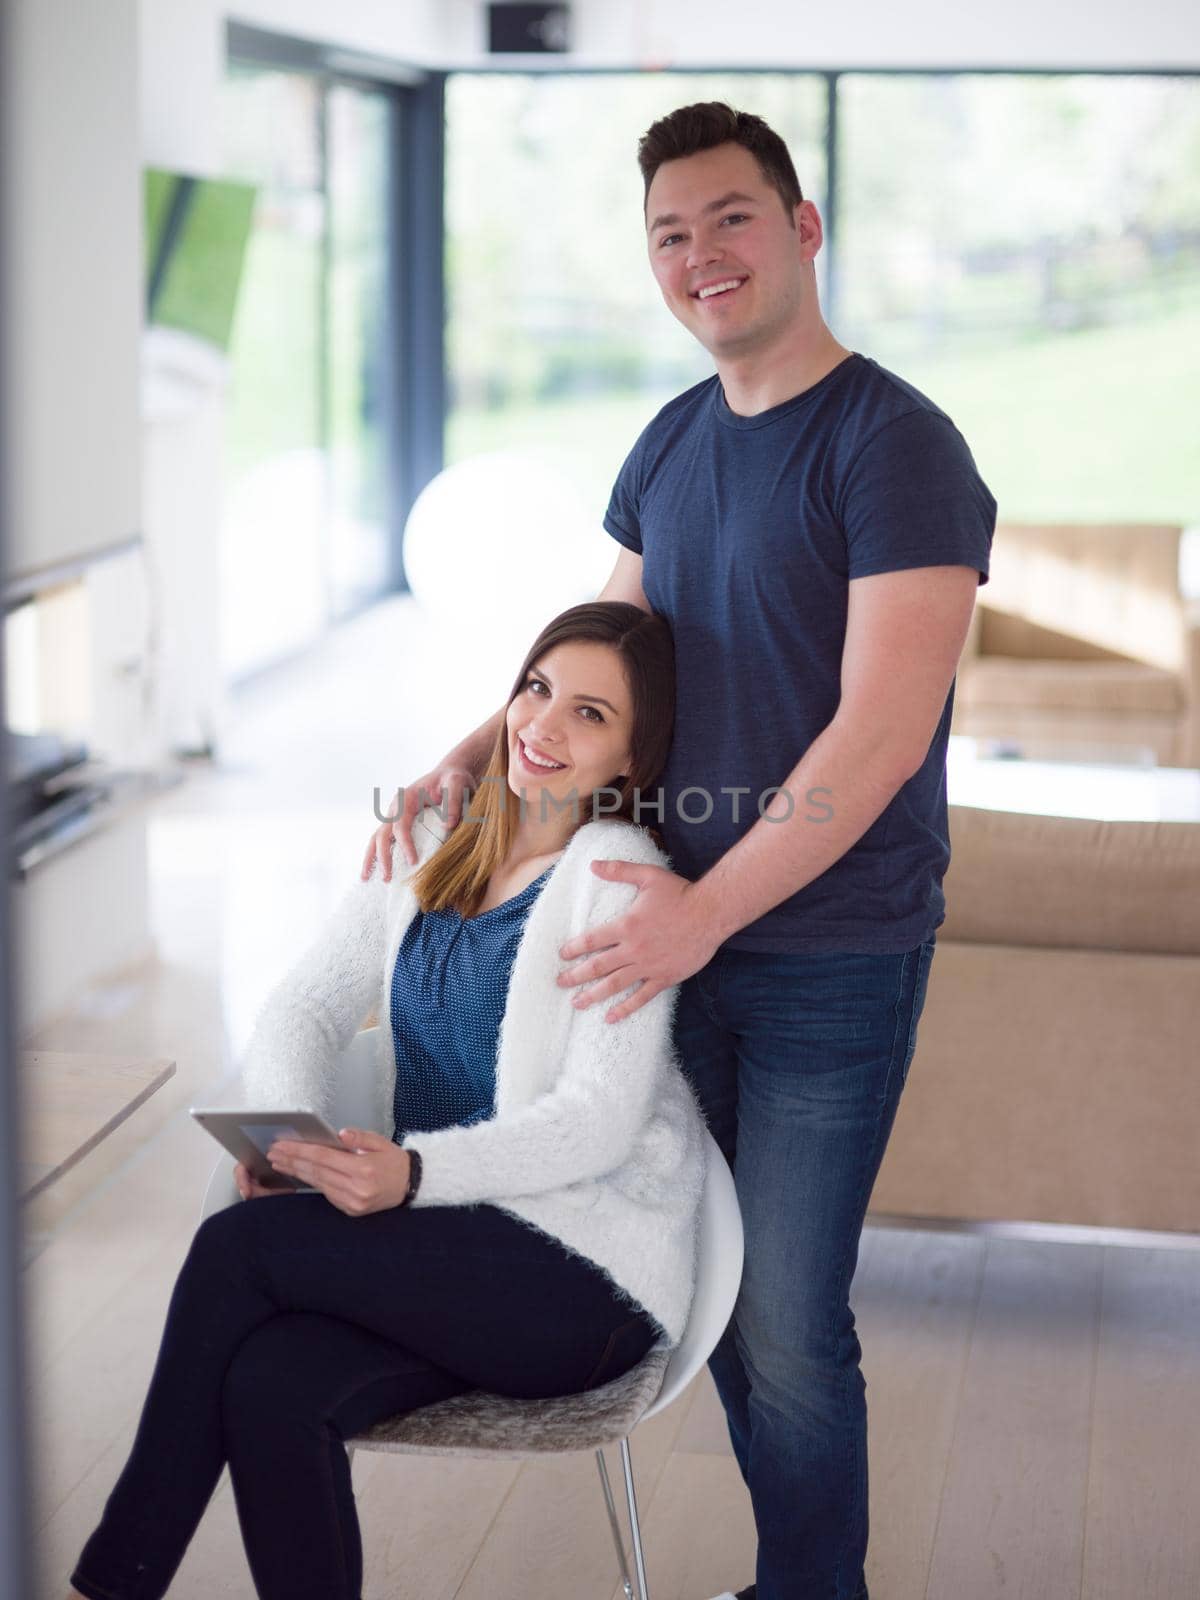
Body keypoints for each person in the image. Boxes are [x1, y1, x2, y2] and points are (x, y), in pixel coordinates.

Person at [364, 104, 997, 1600]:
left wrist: (702, 918)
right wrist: (470, 753)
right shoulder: (672, 438)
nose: (699, 255)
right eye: (668, 233)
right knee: (700, 1280)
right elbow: (609, 652)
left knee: (787, 1314)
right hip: (668, 933)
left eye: (729, 218)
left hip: (825, 957)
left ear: (802, 228)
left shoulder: (897, 446)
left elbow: (880, 736)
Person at [67, 601, 706, 1600]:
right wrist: (288, 1142)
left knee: (241, 1246)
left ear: (631, 759)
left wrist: (414, 1173)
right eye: (535, 688)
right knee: (270, 1382)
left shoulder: (622, 884)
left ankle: (111, 1583)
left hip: (581, 1278)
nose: (542, 725)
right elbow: (305, 1005)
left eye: (589, 714)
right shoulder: (438, 836)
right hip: (436, 1252)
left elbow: (596, 1120)